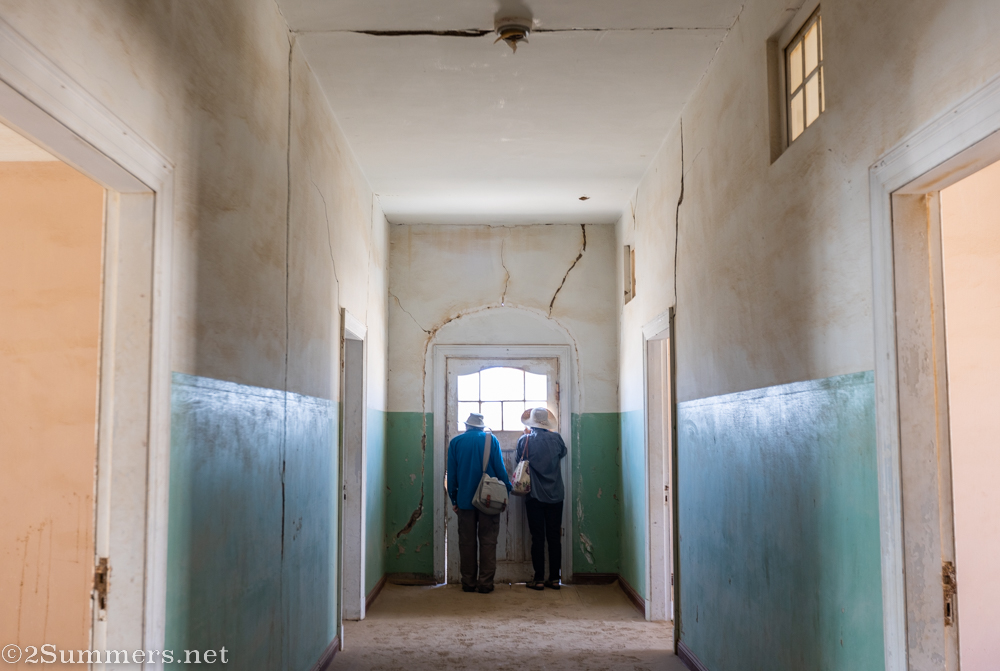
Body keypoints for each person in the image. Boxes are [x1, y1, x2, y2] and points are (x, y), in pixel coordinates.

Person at [447, 412, 513, 593]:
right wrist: (507, 491)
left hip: (465, 502)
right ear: (482, 427)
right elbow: (500, 470)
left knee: (466, 543)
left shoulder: (455, 443)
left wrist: (454, 499)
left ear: (467, 426)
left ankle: (468, 583)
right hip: (489, 502)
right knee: (488, 542)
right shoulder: (491, 441)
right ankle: (485, 584)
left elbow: (451, 477)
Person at [516, 407, 567, 591]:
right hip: (555, 495)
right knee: (554, 537)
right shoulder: (557, 439)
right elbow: (563, 454)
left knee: (537, 537)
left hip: (534, 496)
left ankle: (538, 579)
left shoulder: (525, 440)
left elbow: (518, 461)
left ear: (532, 422)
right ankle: (554, 579)